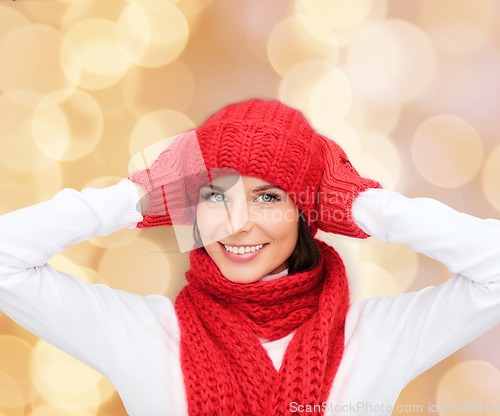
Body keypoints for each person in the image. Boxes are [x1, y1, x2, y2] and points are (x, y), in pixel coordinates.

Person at [0, 98, 499, 416]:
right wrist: (134, 199)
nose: (238, 223)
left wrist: (364, 203)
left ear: (308, 209)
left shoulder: (378, 335)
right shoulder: (138, 331)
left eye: (268, 197)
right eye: (216, 194)